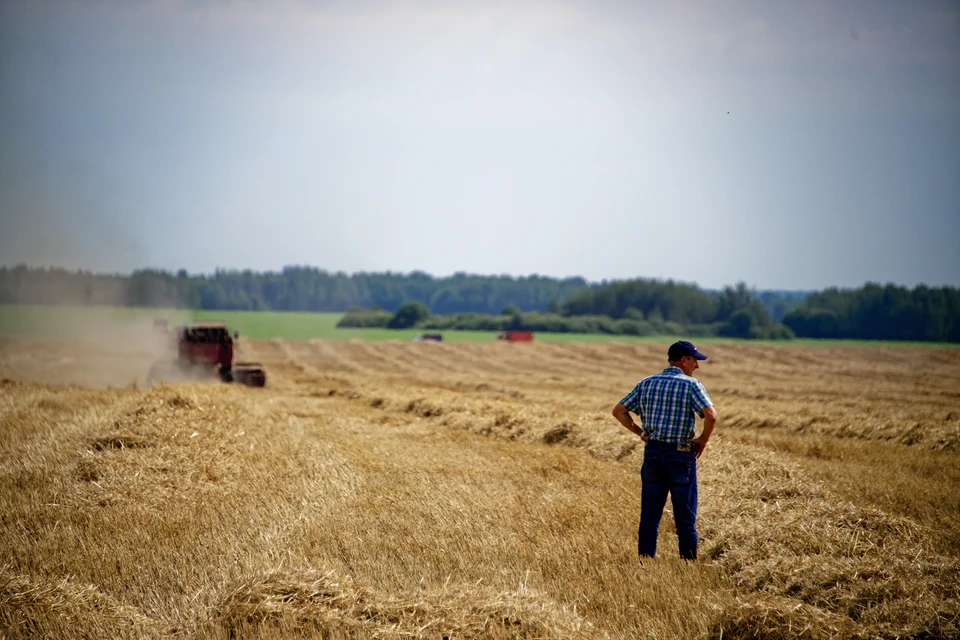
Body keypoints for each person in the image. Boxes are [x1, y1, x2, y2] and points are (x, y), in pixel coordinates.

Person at [612, 340, 718, 560]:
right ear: (684, 360)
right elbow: (711, 415)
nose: (697, 366)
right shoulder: (691, 385)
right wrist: (703, 440)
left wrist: (642, 434)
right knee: (685, 519)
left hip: (652, 453)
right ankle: (688, 564)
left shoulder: (646, 383)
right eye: (695, 360)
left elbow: (619, 411)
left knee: (649, 516)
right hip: (681, 455)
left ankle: (645, 561)